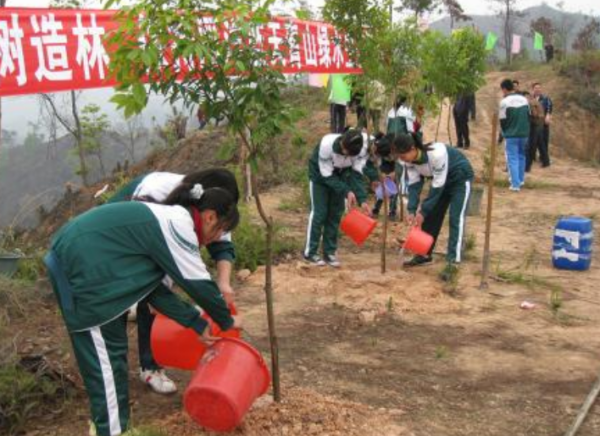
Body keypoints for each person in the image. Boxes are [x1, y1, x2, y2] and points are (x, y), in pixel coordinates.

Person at [44, 181, 241, 436]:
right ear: (210, 216)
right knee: (107, 372)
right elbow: (198, 283)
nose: (215, 239)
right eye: (220, 231)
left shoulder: (166, 222)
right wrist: (226, 321)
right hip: (85, 270)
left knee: (114, 361)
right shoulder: (178, 225)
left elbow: (153, 291)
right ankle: (111, 431)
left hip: (97, 270)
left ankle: (115, 428)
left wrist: (197, 323)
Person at [107, 169, 239, 395]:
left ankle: (138, 322)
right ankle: (148, 367)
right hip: (120, 224)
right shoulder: (161, 196)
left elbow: (222, 246)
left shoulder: (212, 207)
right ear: (208, 209)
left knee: (154, 294)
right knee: (142, 288)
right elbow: (156, 263)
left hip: (158, 227)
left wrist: (224, 283)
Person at [392, 133, 474, 282]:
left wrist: (422, 211)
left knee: (456, 218)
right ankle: (424, 254)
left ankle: (452, 262)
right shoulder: (408, 162)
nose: (401, 159)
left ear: (412, 149)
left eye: (402, 155)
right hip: (440, 182)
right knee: (431, 217)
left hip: (459, 179)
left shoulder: (436, 154)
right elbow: (415, 186)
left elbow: (437, 187)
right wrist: (411, 210)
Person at [304, 129, 370, 267]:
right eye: (344, 150)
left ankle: (329, 253)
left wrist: (362, 198)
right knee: (319, 213)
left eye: (349, 153)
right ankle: (311, 253)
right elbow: (326, 175)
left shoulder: (360, 150)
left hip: (340, 177)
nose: (345, 153)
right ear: (341, 141)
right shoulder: (327, 144)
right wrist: (346, 191)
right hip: (320, 179)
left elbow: (355, 174)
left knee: (335, 214)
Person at [499, 78, 530, 192]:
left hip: (511, 134)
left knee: (512, 158)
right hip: (524, 134)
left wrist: (505, 132)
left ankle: (515, 184)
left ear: (504, 89)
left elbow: (502, 120)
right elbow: (528, 115)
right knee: (522, 156)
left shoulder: (504, 102)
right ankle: (521, 180)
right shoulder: (524, 99)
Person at [369, 133, 399, 220]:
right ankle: (375, 209)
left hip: (396, 164)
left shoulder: (398, 147)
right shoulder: (380, 146)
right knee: (382, 186)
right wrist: (380, 173)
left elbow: (402, 165)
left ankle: (392, 212)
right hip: (385, 164)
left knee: (394, 188)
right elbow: (376, 163)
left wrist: (395, 173)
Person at [532, 82, 553, 168]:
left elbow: (549, 108)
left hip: (543, 123)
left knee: (544, 141)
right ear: (533, 89)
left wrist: (548, 116)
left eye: (539, 88)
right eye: (536, 88)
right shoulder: (530, 99)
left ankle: (543, 159)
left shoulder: (545, 99)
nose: (538, 89)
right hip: (533, 124)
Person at [524, 91, 546, 172]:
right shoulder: (536, 102)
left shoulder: (530, 103)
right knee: (532, 147)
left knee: (528, 147)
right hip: (538, 125)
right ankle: (528, 166)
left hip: (533, 126)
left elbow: (534, 114)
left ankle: (527, 167)